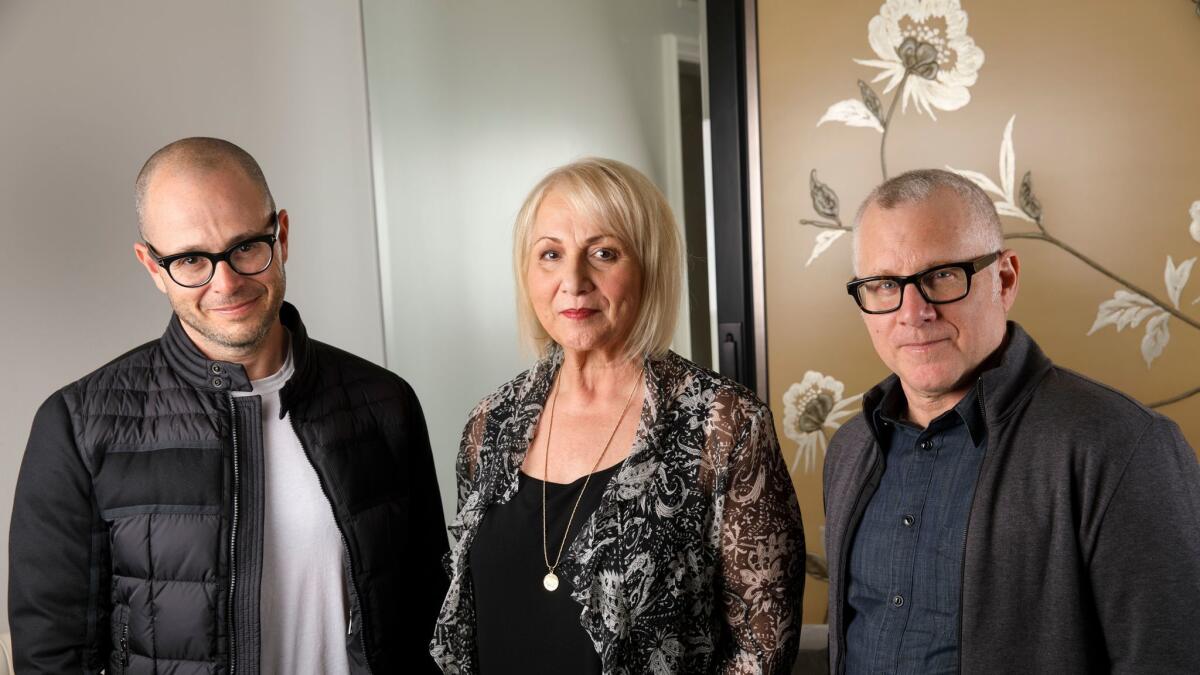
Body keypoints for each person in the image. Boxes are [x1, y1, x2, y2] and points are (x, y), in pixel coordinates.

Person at [8, 137, 448, 673]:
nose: (227, 282)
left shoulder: (385, 404)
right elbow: (52, 656)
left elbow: (431, 620)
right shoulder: (76, 427)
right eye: (191, 259)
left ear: (281, 235)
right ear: (151, 265)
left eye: (245, 247)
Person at [429, 158, 805, 673]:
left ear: (650, 266)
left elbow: (762, 650)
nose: (573, 280)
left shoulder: (725, 424)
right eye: (550, 255)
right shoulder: (489, 424)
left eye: (603, 253)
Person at [823, 168, 1200, 674]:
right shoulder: (851, 448)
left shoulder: (1121, 447)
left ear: (1004, 280)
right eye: (885, 284)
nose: (913, 312)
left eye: (941, 276)